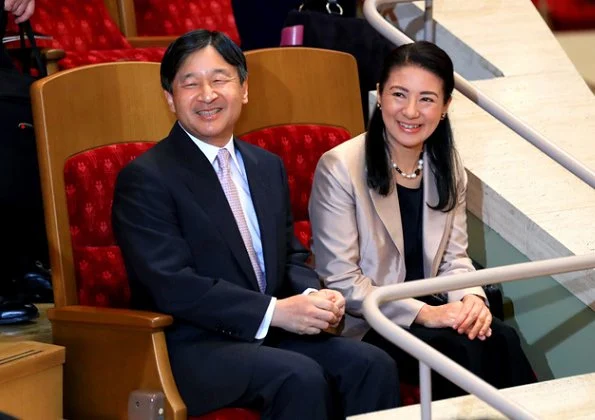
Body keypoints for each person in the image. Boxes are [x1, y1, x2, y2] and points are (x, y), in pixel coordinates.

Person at [112, 29, 399, 419]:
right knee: (298, 376)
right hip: (191, 346)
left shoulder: (266, 166)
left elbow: (292, 256)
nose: (207, 95)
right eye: (190, 83)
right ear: (169, 97)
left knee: (372, 363)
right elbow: (172, 285)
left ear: (244, 89)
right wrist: (273, 312)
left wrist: (314, 296)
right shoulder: (146, 178)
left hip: (269, 335)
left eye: (220, 79)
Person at [309, 41, 536, 400]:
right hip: (371, 321)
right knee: (460, 351)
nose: (411, 111)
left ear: (445, 106)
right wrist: (428, 315)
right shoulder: (340, 167)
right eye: (399, 94)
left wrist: (472, 299)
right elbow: (342, 282)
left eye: (427, 99)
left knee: (501, 337)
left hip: (437, 310)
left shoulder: (445, 164)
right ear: (380, 94)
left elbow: (455, 259)